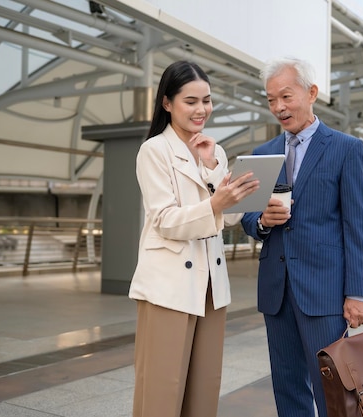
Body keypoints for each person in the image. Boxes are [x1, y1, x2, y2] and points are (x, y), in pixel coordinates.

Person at [241, 57, 363, 417]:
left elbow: (357, 225)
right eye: (271, 100)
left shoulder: (346, 148)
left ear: (311, 93)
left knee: (333, 387)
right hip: (277, 291)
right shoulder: (262, 154)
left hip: (324, 291)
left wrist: (358, 293)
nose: (279, 107)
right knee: (287, 385)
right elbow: (248, 218)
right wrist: (263, 221)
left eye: (286, 96)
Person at [128, 60, 259, 417]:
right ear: (167, 103)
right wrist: (217, 202)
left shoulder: (214, 151)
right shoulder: (154, 151)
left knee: (204, 388)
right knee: (161, 389)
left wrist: (216, 172)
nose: (202, 109)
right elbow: (165, 221)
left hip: (211, 287)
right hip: (169, 286)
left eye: (207, 100)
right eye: (191, 101)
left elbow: (229, 217)